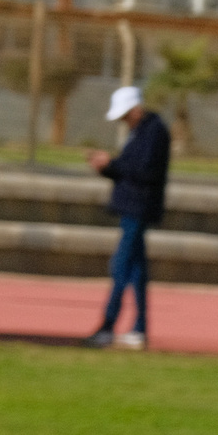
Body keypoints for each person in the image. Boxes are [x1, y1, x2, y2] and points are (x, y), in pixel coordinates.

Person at [86, 85, 170, 350]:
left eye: (125, 114)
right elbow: (130, 171)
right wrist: (107, 168)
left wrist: (112, 164)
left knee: (121, 267)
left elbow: (144, 172)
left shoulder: (154, 132)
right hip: (132, 208)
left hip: (139, 209)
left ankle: (108, 325)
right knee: (136, 272)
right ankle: (139, 329)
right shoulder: (140, 133)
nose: (123, 120)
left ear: (136, 109)